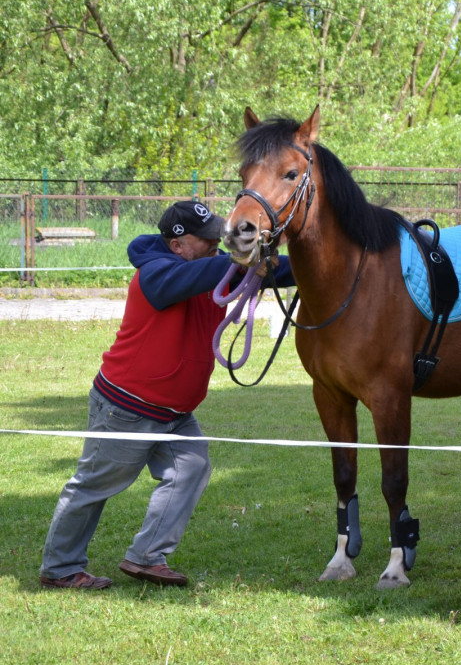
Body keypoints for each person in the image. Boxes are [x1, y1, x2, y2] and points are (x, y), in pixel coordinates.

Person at [39, 200, 293, 590]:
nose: (217, 247)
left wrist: (313, 262)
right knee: (93, 486)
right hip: (127, 408)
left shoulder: (210, 268)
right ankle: (59, 569)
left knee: (190, 467)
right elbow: (189, 279)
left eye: (218, 238)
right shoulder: (155, 275)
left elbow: (274, 271)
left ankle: (146, 558)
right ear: (178, 245)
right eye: (208, 240)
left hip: (174, 411)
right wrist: (240, 258)